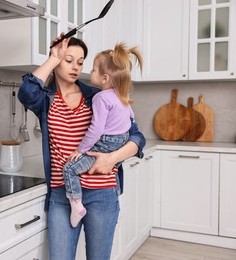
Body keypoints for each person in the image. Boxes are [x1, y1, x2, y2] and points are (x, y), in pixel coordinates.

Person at [18, 33, 146, 260]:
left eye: (80, 62)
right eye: (68, 61)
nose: (75, 67)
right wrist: (52, 58)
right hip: (62, 195)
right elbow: (26, 93)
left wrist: (112, 158)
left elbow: (136, 137)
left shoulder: (97, 96)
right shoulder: (46, 100)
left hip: (102, 194)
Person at [63, 43, 144, 228]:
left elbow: (97, 129)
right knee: (110, 164)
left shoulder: (100, 97)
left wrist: (81, 149)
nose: (89, 72)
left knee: (69, 169)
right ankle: (114, 189)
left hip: (107, 142)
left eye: (92, 69)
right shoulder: (120, 95)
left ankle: (76, 205)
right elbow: (132, 117)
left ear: (105, 77)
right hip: (122, 139)